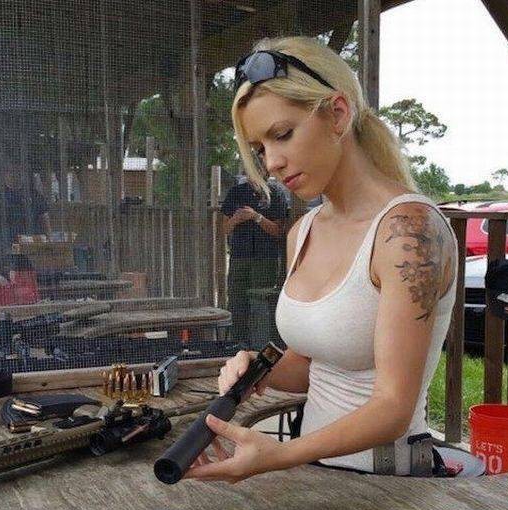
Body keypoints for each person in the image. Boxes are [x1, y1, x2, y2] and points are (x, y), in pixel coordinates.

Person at [185, 36, 457, 482]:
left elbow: (393, 407)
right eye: (260, 149)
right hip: (314, 475)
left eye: (282, 134)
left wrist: (279, 454)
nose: (272, 163)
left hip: (390, 486)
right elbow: (315, 368)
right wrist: (257, 369)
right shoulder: (303, 231)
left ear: (338, 113)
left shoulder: (409, 232)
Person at [220, 174, 288, 343]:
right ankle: (238, 344)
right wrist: (236, 219)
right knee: (236, 302)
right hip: (239, 257)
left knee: (261, 304)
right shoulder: (236, 192)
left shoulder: (275, 193)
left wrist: (256, 217)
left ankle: (261, 345)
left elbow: (278, 231)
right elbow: (225, 228)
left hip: (265, 258)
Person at [0, 164, 52, 250]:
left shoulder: (34, 194)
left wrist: (49, 239)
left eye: (19, 172)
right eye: (12, 172)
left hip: (30, 243)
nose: (15, 174)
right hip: (4, 243)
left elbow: (45, 218)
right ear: (5, 174)